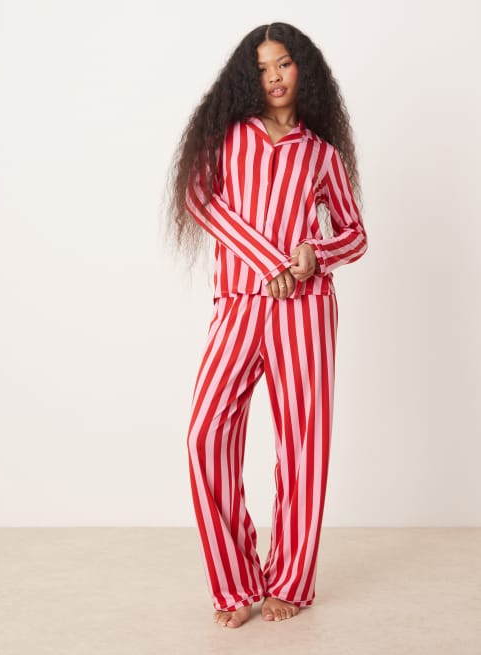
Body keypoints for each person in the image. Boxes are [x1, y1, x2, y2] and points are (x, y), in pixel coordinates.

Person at [165, 22, 368, 628]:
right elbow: (200, 200)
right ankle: (235, 583)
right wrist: (269, 260)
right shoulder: (228, 138)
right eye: (261, 68)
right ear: (247, 78)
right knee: (205, 434)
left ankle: (291, 583)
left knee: (303, 446)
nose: (274, 77)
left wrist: (313, 255)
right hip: (239, 303)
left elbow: (354, 235)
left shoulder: (321, 154)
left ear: (304, 69)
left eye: (284, 63)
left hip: (305, 310)